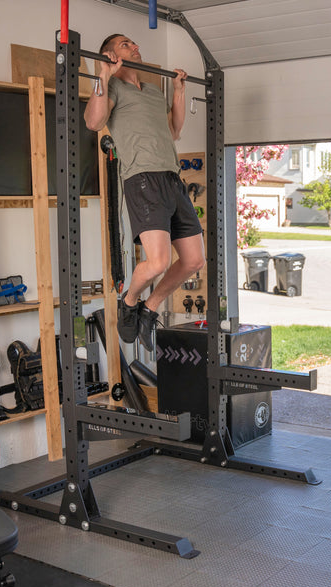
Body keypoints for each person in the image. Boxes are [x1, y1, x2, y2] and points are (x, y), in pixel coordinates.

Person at [84, 34, 205, 351]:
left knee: (193, 260)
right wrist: (103, 73)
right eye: (126, 44)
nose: (135, 46)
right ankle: (130, 300)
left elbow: (174, 131)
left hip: (172, 179)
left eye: (134, 43)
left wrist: (179, 91)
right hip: (142, 179)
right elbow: (94, 121)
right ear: (111, 55)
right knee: (158, 262)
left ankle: (150, 307)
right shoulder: (111, 89)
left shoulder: (152, 91)